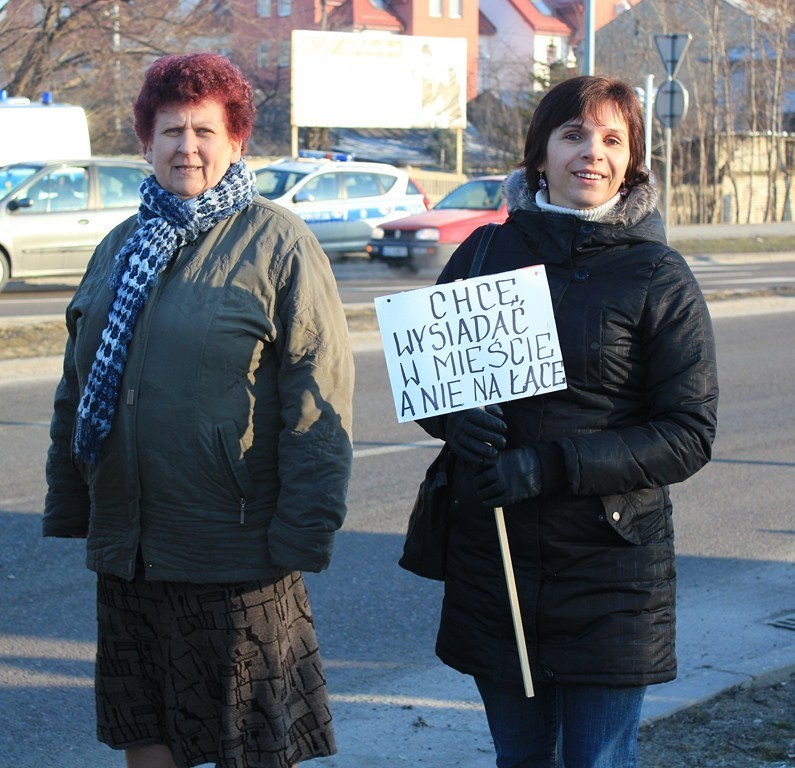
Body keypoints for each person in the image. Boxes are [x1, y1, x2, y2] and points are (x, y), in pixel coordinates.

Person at [43, 53, 354, 768]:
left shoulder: (279, 242)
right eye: (171, 130)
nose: (187, 147)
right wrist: (73, 502)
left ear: (236, 141)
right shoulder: (120, 246)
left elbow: (317, 397)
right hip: (133, 552)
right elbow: (76, 384)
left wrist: (304, 530)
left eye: (205, 131)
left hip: (235, 552)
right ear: (144, 142)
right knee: (144, 736)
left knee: (247, 747)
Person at [418, 75, 719, 767]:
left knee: (596, 761)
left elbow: (687, 433)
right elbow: (434, 381)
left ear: (631, 162)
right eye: (573, 134)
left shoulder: (657, 275)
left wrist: (549, 465)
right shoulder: (483, 254)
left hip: (610, 568)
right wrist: (452, 424)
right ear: (540, 153)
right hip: (497, 559)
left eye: (612, 139)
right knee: (520, 760)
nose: (592, 152)